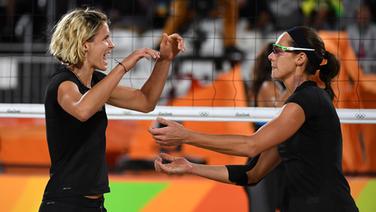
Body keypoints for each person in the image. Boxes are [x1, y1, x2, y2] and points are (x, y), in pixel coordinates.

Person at [149, 26, 359, 211]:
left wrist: (186, 136)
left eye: (278, 51)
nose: (270, 57)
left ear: (300, 59)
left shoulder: (308, 98)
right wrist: (190, 167)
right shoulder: (296, 104)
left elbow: (250, 145)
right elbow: (253, 173)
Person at [39, 8, 184, 211]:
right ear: (84, 44)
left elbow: (145, 102)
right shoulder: (63, 83)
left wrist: (165, 60)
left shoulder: (97, 82)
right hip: (65, 202)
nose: (112, 45)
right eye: (105, 39)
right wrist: (123, 66)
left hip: (94, 204)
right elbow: (83, 110)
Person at [245, 42, 287, 212]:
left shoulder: (270, 86)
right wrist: (301, 79)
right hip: (263, 164)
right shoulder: (267, 87)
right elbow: (281, 113)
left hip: (274, 161)